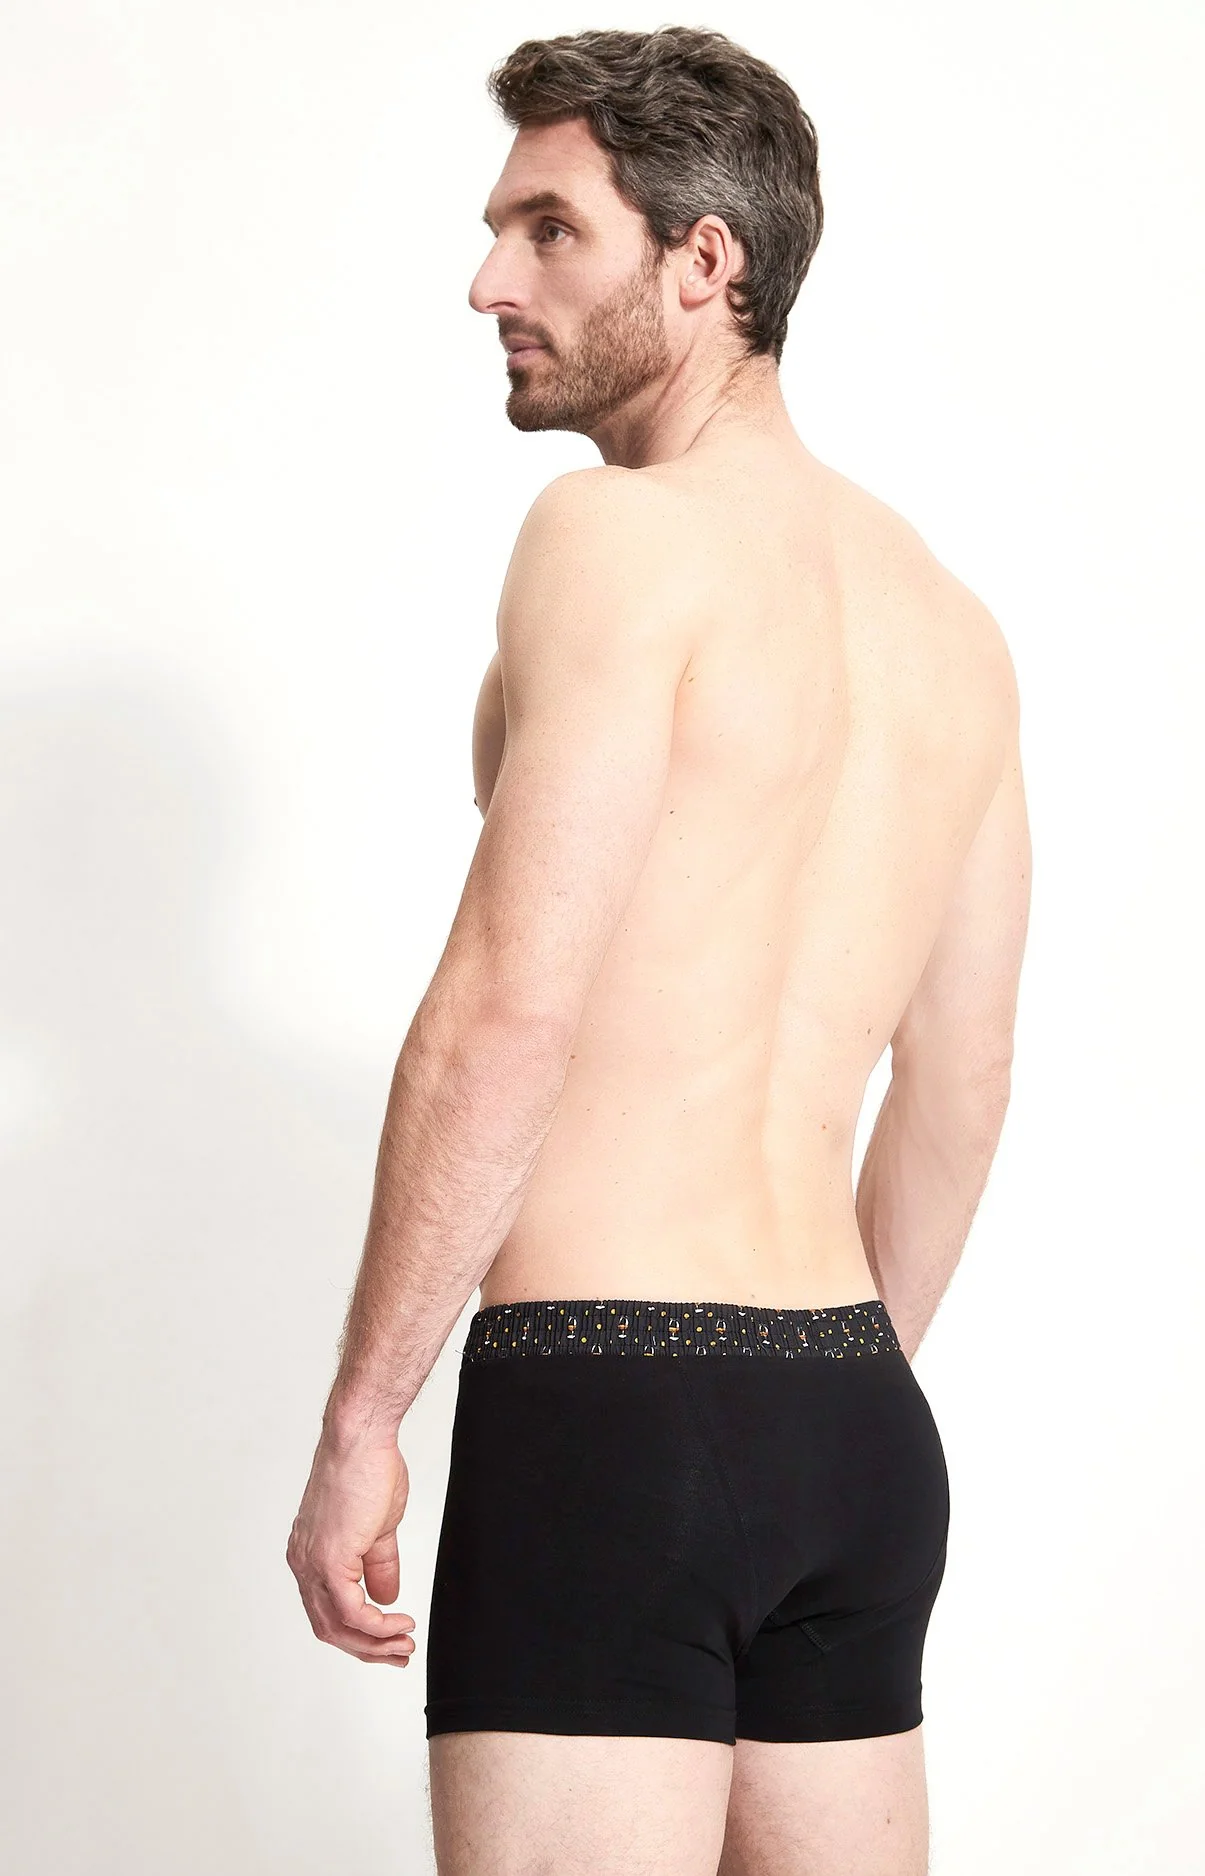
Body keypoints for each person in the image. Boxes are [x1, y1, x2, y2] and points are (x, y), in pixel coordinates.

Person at [286, 25, 1031, 1876]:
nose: (490, 281)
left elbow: (505, 1008)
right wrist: (810, 1404)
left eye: (549, 229)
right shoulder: (952, 626)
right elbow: (961, 1079)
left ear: (707, 262)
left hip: (609, 1403)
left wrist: (367, 1416)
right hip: (857, 1426)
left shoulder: (614, 537)